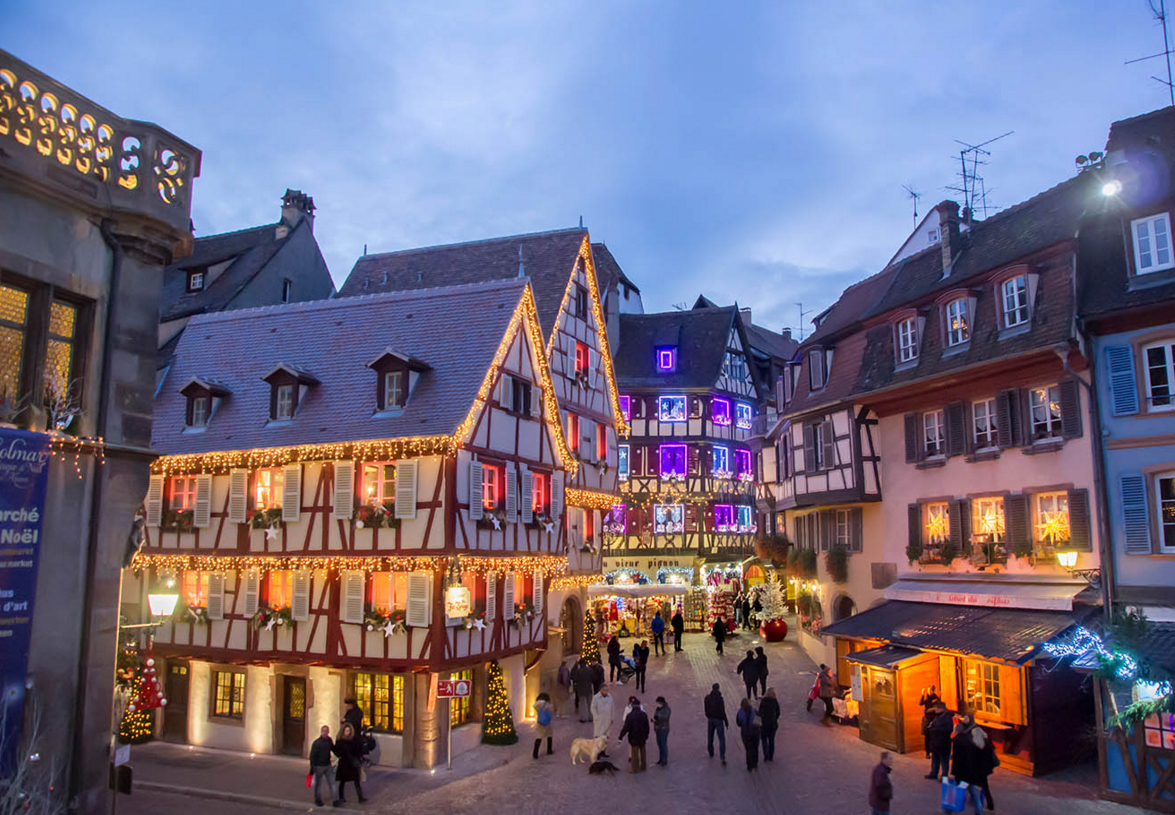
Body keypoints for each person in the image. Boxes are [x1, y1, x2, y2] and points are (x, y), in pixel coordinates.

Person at [951, 714, 997, 812]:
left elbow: (972, 755)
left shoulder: (973, 733)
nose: (965, 719)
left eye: (966, 718)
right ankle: (986, 806)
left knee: (975, 787)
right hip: (980, 768)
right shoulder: (973, 733)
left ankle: (980, 806)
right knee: (981, 787)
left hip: (976, 768)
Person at [331, 722, 365, 805]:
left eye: (349, 730)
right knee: (342, 782)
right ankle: (341, 797)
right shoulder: (340, 741)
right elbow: (337, 751)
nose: (347, 732)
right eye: (346, 730)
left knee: (356, 781)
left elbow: (358, 750)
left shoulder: (354, 740)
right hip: (344, 764)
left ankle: (360, 797)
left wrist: (358, 758)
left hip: (352, 763)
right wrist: (336, 752)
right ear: (343, 731)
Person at [617, 697, 650, 774]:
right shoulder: (644, 714)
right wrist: (646, 735)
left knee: (634, 754)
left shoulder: (630, 716)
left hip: (633, 737)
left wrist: (620, 737)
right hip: (642, 737)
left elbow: (626, 728)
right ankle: (643, 766)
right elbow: (647, 727)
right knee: (643, 752)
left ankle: (635, 769)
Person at [924, 703, 954, 780]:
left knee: (944, 760)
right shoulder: (937, 716)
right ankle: (934, 773)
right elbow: (928, 714)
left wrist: (935, 729)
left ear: (942, 709)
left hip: (943, 742)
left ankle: (944, 776)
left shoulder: (947, 717)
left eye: (937, 708)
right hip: (936, 742)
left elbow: (949, 730)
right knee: (935, 759)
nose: (935, 710)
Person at [309, 725, 334, 808]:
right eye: (324, 731)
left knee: (331, 783)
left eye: (326, 731)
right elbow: (312, 756)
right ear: (321, 732)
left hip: (327, 765)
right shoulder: (317, 743)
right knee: (318, 784)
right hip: (319, 766)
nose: (325, 733)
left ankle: (335, 799)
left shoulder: (329, 740)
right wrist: (312, 767)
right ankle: (318, 800)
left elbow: (333, 749)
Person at [704, 682, 728, 764]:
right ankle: (722, 755)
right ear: (718, 688)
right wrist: (726, 721)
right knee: (721, 738)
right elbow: (722, 711)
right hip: (718, 720)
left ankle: (711, 752)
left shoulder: (707, 698)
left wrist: (708, 716)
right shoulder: (720, 699)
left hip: (710, 719)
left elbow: (706, 709)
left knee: (710, 736)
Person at [736, 698, 761, 771]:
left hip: (745, 733)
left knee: (748, 749)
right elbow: (759, 722)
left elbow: (738, 723)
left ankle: (749, 765)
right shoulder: (754, 711)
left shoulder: (740, 712)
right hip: (755, 733)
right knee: (755, 749)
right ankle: (755, 764)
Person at [590, 684, 615, 755]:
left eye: (608, 690)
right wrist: (596, 716)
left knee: (605, 737)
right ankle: (597, 752)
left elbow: (612, 707)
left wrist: (612, 717)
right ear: (601, 690)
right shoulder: (596, 697)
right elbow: (593, 707)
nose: (607, 691)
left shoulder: (610, 697)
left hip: (607, 720)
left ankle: (603, 752)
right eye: (605, 690)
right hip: (599, 720)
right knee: (598, 737)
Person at [868, 751, 894, 815]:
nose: (891, 760)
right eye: (890, 758)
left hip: (876, 802)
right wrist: (889, 781)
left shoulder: (879, 769)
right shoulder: (881, 772)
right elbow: (882, 787)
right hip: (881, 804)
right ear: (884, 759)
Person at [758, 688, 780, 762]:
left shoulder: (763, 701)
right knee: (771, 740)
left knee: (764, 740)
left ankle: (766, 755)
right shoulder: (775, 701)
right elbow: (778, 712)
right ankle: (771, 756)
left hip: (764, 724)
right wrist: (775, 718)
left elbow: (759, 713)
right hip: (773, 724)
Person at [532, 692, 554, 759]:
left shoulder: (537, 705)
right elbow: (552, 710)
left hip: (540, 722)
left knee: (539, 737)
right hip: (547, 722)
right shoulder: (549, 705)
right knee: (549, 735)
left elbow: (534, 706)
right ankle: (549, 750)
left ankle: (535, 753)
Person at [653, 696, 671, 766]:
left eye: (657, 703)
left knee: (663, 745)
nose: (657, 705)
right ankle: (661, 758)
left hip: (663, 729)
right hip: (658, 729)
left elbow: (665, 717)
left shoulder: (667, 709)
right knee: (659, 744)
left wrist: (657, 718)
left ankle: (664, 760)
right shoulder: (659, 708)